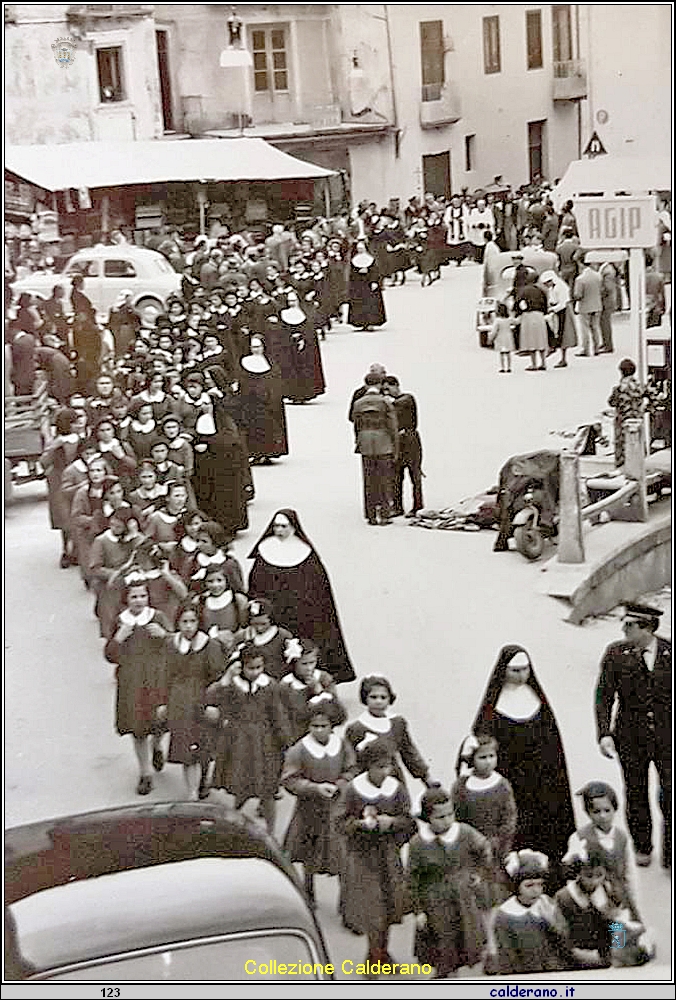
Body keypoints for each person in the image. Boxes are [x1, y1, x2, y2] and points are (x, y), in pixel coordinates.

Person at [464, 645, 575, 879]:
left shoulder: (536, 699)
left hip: (542, 777)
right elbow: (482, 740)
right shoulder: (495, 705)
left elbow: (553, 740)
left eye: (525, 669)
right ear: (504, 671)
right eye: (515, 670)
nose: (522, 675)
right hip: (512, 777)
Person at [595, 602, 671, 869]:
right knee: (636, 792)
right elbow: (603, 696)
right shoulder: (616, 653)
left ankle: (670, 852)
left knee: (670, 793)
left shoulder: (669, 652)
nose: (624, 629)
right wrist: (604, 733)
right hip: (630, 737)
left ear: (647, 627)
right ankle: (642, 846)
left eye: (630, 625)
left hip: (667, 737)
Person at [248, 509, 355, 683]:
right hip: (274, 614)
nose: (279, 531)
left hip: (303, 614)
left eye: (284, 526)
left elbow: (319, 588)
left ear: (293, 527)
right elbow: (255, 583)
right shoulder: (265, 550)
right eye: (276, 526)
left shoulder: (305, 552)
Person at [339, 742, 417, 971]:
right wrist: (360, 825)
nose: (386, 771)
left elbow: (409, 820)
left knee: (390, 905)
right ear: (368, 767)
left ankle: (383, 953)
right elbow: (340, 822)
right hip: (363, 856)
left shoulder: (397, 789)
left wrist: (392, 823)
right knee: (373, 908)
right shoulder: (353, 790)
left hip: (389, 855)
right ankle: (373, 958)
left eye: (389, 766)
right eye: (380, 767)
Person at [408, 786, 492, 978]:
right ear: (427, 818)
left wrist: (477, 872)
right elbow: (412, 879)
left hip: (462, 896)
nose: (447, 820)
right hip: (434, 901)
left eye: (450, 814)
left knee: (465, 937)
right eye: (440, 817)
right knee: (442, 940)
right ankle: (445, 973)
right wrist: (418, 910)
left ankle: (455, 972)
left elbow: (484, 849)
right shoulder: (418, 844)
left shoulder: (464, 832)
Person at [209, 642, 291, 834]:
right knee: (240, 782)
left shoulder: (270, 686)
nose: (255, 672)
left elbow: (278, 715)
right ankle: (234, 821)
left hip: (265, 742)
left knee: (268, 788)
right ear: (241, 666)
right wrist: (227, 677)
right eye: (250, 668)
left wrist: (285, 741)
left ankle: (271, 831)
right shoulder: (232, 685)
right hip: (238, 741)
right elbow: (213, 697)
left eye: (259, 667)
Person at [281, 699, 355, 907]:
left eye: (324, 726)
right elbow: (289, 779)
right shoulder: (299, 750)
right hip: (309, 809)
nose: (319, 731)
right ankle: (308, 889)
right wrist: (314, 788)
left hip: (336, 808)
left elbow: (352, 770)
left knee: (341, 853)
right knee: (309, 851)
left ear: (333, 726)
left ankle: (345, 901)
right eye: (315, 726)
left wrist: (340, 785)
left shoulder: (341, 746)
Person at [103, 580, 170, 795]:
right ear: (126, 599)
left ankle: (158, 745)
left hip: (156, 679)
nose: (139, 600)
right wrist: (118, 639)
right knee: (138, 728)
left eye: (143, 596)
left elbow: (176, 645)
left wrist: (164, 635)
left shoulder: (157, 618)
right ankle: (145, 773)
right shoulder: (121, 622)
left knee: (159, 721)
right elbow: (110, 656)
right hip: (131, 682)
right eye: (134, 596)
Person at [158, 600, 225, 801]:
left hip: (202, 699)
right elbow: (164, 674)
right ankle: (192, 793)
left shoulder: (210, 646)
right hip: (179, 702)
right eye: (184, 621)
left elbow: (217, 677)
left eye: (193, 621)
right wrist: (163, 703)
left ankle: (204, 779)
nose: (188, 626)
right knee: (188, 749)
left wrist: (213, 704)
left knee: (204, 745)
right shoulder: (172, 644)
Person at [453, 732, 518, 904]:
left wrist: (497, 842)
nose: (488, 761)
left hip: (495, 847)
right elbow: (458, 817)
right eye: (482, 757)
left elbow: (509, 820)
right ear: (472, 759)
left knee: (495, 890)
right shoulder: (462, 786)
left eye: (492, 756)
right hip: (470, 847)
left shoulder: (502, 785)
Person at [562, 781, 641, 920]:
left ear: (614, 809)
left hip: (619, 896)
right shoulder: (579, 838)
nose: (603, 816)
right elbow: (572, 873)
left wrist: (632, 896)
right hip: (593, 897)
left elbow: (629, 870)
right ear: (588, 812)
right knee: (599, 934)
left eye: (607, 810)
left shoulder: (622, 837)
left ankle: (620, 941)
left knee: (620, 933)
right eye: (596, 812)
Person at [488, 850, 571, 975]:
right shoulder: (505, 914)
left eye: (540, 884)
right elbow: (507, 957)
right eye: (529, 885)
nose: (536, 890)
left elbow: (565, 942)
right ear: (517, 887)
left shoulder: (547, 904)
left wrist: (553, 923)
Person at [345, 675, 433, 788]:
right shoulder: (356, 728)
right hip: (366, 780)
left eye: (383, 697)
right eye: (373, 697)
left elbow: (409, 752)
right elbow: (351, 760)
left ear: (389, 698)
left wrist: (425, 776)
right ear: (365, 698)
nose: (378, 701)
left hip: (394, 778)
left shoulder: (397, 723)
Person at [351, 373, 399, 526]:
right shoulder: (385, 402)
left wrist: (358, 440)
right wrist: (395, 447)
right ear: (379, 385)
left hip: (365, 443)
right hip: (383, 442)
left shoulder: (359, 403)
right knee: (385, 479)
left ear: (366, 385)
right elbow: (392, 426)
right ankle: (385, 514)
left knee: (368, 479)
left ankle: (371, 514)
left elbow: (355, 423)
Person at [40, 407, 81, 567]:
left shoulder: (81, 439)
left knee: (78, 514)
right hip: (59, 480)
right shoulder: (56, 442)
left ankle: (77, 550)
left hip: (78, 478)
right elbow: (44, 463)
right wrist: (53, 447)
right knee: (64, 518)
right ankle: (66, 550)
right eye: (74, 422)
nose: (77, 425)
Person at [237, 336, 288, 464]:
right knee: (253, 429)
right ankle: (255, 453)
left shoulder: (270, 362)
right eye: (253, 347)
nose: (256, 350)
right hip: (251, 402)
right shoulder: (244, 362)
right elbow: (242, 382)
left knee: (269, 428)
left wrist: (270, 395)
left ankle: (268, 453)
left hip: (268, 402)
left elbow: (275, 381)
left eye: (258, 347)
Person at [381, 375, 424, 518]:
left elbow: (398, 407)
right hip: (398, 440)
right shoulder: (395, 403)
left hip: (410, 439)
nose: (387, 392)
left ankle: (418, 505)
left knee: (415, 475)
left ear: (395, 386)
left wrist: (386, 403)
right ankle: (397, 506)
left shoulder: (407, 399)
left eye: (388, 388)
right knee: (396, 476)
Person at [607, 359, 646, 468]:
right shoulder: (639, 386)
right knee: (637, 443)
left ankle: (621, 468)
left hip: (623, 420)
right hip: (637, 418)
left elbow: (611, 402)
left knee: (621, 445)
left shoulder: (619, 388)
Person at [539, 269, 577, 367]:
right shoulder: (552, 287)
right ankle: (554, 347)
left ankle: (563, 358)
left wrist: (553, 309)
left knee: (563, 333)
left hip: (563, 310)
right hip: (557, 309)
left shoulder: (561, 287)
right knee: (555, 331)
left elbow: (563, 303)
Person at [347, 240, 386, 331]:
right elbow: (352, 274)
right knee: (360, 304)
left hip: (369, 285)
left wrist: (374, 282)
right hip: (358, 285)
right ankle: (362, 323)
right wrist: (358, 273)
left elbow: (375, 272)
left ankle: (371, 323)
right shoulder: (354, 259)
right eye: (358, 248)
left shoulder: (371, 259)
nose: (360, 250)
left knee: (371, 304)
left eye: (362, 248)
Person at [516, 274, 549, 371]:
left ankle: (534, 364)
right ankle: (543, 363)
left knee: (531, 341)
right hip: (540, 315)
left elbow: (518, 303)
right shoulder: (541, 290)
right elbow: (545, 304)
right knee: (541, 340)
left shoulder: (524, 290)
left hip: (528, 315)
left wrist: (518, 313)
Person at [573, 256, 603, 356]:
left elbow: (578, 295)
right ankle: (596, 348)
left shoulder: (580, 279)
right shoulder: (598, 276)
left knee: (584, 328)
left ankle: (585, 349)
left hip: (585, 306)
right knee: (595, 327)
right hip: (597, 304)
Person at [488, 302, 516, 374]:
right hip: (508, 337)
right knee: (508, 353)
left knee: (502, 353)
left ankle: (503, 367)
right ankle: (509, 367)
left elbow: (494, 331)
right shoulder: (509, 319)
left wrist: (490, 338)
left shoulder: (497, 321)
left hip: (500, 338)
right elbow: (516, 322)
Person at [599, 259, 619, 352]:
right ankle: (605, 342)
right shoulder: (607, 269)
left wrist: (599, 292)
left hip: (606, 301)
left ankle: (608, 345)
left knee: (605, 323)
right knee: (603, 323)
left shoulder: (607, 271)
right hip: (607, 300)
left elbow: (608, 288)